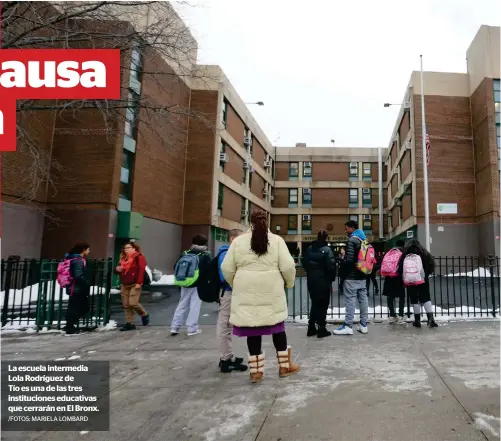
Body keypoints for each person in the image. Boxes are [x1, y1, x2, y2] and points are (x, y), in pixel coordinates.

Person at [221, 210, 299, 384]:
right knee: (278, 328)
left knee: (252, 330)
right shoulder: (277, 241)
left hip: (246, 290)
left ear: (250, 222)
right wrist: (289, 283)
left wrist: (237, 283)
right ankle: (285, 366)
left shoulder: (239, 242)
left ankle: (256, 372)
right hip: (272, 291)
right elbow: (288, 267)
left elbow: (227, 268)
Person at [217, 229, 248, 373]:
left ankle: (227, 356)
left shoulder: (231, 254)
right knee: (224, 326)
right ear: (232, 239)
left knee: (227, 325)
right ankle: (225, 359)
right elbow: (225, 276)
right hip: (228, 293)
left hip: (231, 292)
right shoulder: (226, 255)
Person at [171, 235, 212, 336]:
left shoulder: (185, 253)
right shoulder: (205, 255)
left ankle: (175, 327)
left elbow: (175, 266)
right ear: (204, 244)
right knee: (195, 305)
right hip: (198, 284)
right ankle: (191, 329)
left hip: (185, 282)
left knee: (182, 304)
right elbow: (208, 271)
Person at [333, 220, 369, 336]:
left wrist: (341, 262)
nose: (345, 231)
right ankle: (363, 325)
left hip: (351, 276)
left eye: (347, 228)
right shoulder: (364, 240)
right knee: (363, 299)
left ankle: (348, 326)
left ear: (352, 228)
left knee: (350, 300)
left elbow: (348, 261)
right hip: (362, 275)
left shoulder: (352, 240)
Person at [303, 229, 336, 338]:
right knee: (323, 304)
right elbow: (331, 266)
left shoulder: (309, 249)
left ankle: (311, 327)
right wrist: (331, 278)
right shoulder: (327, 250)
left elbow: (305, 263)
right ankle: (322, 328)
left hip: (311, 280)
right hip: (323, 280)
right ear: (326, 238)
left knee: (315, 303)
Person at [398, 239, 438, 328]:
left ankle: (417, 321)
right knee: (426, 298)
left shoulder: (405, 254)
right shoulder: (425, 253)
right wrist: (425, 275)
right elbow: (431, 266)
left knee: (414, 299)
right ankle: (430, 319)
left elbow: (400, 268)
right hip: (423, 280)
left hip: (410, 280)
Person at [116, 242, 149, 331]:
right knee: (126, 304)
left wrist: (139, 282)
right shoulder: (123, 258)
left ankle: (144, 314)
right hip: (124, 283)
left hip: (134, 283)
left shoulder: (139, 257)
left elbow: (141, 270)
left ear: (134, 248)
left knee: (133, 303)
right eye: (125, 248)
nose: (126, 249)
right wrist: (117, 269)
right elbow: (118, 270)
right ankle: (130, 323)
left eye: (128, 247)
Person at [64, 243, 91, 335]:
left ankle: (70, 324)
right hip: (77, 288)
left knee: (75, 307)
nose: (88, 251)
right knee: (81, 307)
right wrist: (86, 284)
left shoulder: (72, 258)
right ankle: (70, 326)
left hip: (73, 287)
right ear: (83, 250)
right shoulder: (78, 260)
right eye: (87, 249)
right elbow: (78, 275)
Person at [382, 240, 406, 324]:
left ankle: (392, 315)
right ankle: (400, 315)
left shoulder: (390, 252)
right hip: (398, 276)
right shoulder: (403, 252)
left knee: (390, 296)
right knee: (401, 296)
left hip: (389, 276)